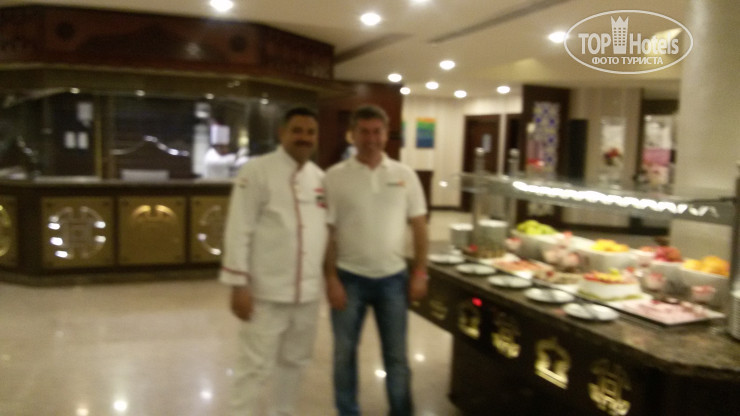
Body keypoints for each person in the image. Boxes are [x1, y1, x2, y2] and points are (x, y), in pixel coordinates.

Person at [219, 107, 326, 416]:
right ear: (282, 133)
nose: (304, 138)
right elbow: (239, 228)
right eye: (297, 131)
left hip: (307, 294)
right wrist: (239, 284)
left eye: (310, 132)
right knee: (253, 367)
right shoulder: (256, 171)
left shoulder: (320, 179)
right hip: (265, 292)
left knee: (295, 362)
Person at [324, 104, 429, 416]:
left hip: (393, 280)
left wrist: (420, 272)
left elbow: (420, 227)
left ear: (386, 134)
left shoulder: (405, 175)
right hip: (348, 278)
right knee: (344, 355)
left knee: (397, 358)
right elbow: (328, 233)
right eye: (364, 132)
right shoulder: (334, 177)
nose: (371, 139)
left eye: (377, 132)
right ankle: (348, 411)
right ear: (352, 135)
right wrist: (331, 278)